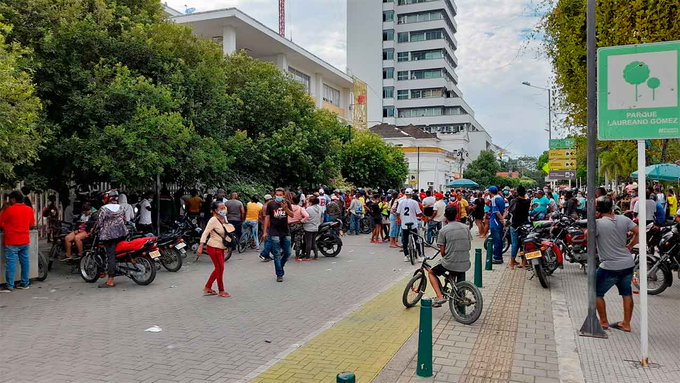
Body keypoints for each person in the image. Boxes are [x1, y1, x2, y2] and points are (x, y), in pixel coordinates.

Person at [592, 196, 638, 332]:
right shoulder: (624, 219)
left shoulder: (598, 223)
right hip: (628, 264)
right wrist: (630, 246)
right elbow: (639, 231)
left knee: (595, 292)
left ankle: (604, 322)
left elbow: (587, 236)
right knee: (626, 292)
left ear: (598, 210)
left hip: (609, 266)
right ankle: (626, 324)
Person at [427, 206, 472, 307]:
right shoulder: (466, 227)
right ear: (456, 215)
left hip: (451, 262)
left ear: (445, 216)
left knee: (431, 272)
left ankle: (439, 296)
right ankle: (450, 281)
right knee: (450, 268)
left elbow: (443, 253)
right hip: (465, 262)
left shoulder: (444, 230)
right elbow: (469, 246)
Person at [0, 191, 35, 292]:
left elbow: (0, 222)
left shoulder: (9, 210)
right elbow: (31, 225)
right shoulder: (29, 210)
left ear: (13, 199)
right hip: (24, 240)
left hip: (12, 241)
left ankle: (9, 286)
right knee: (25, 262)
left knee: (11, 263)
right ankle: (24, 283)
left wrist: (6, 226)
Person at [196, 201, 232, 298]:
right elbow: (205, 233)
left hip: (221, 247)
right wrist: (200, 245)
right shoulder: (213, 220)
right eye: (221, 208)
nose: (224, 209)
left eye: (224, 207)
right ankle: (221, 290)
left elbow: (225, 233)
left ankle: (208, 287)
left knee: (219, 268)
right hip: (213, 247)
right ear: (216, 210)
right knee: (220, 268)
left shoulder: (223, 218)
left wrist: (226, 247)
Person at [94, 190, 128, 288]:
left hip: (108, 236)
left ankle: (110, 280)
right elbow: (125, 220)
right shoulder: (121, 207)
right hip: (121, 234)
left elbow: (99, 223)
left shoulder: (104, 209)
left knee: (111, 256)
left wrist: (94, 230)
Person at [263, 188, 294, 282]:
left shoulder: (287, 203)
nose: (279, 196)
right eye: (277, 194)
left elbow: (292, 215)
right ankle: (279, 274)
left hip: (285, 231)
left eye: (280, 195)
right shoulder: (270, 204)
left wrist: (285, 208)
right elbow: (267, 218)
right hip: (274, 231)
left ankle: (280, 264)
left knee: (288, 252)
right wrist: (265, 232)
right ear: (274, 195)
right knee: (276, 254)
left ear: (284, 195)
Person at [397, 188, 423, 262]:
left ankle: (406, 255)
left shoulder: (401, 202)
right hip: (413, 223)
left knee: (405, 241)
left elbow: (398, 212)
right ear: (411, 194)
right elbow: (418, 212)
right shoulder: (414, 202)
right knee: (416, 239)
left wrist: (399, 219)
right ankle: (420, 256)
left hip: (404, 224)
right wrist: (422, 215)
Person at [508, 186, 530, 269]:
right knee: (524, 244)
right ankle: (524, 263)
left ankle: (512, 263)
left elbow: (509, 211)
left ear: (517, 192)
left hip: (514, 225)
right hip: (524, 225)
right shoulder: (527, 201)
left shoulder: (514, 201)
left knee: (514, 244)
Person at [288, 194, 309, 260]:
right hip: (298, 225)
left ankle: (287, 254)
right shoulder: (300, 208)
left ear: (292, 201)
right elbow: (307, 216)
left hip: (289, 226)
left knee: (289, 241)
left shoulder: (288, 208)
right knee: (298, 241)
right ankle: (297, 255)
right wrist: (302, 221)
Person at [488, 186, 506, 264]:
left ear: (490, 192)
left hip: (495, 222)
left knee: (497, 241)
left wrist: (502, 220)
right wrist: (503, 220)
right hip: (499, 223)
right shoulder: (501, 198)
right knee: (500, 240)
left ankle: (497, 258)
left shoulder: (494, 199)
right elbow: (505, 210)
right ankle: (499, 257)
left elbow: (497, 212)